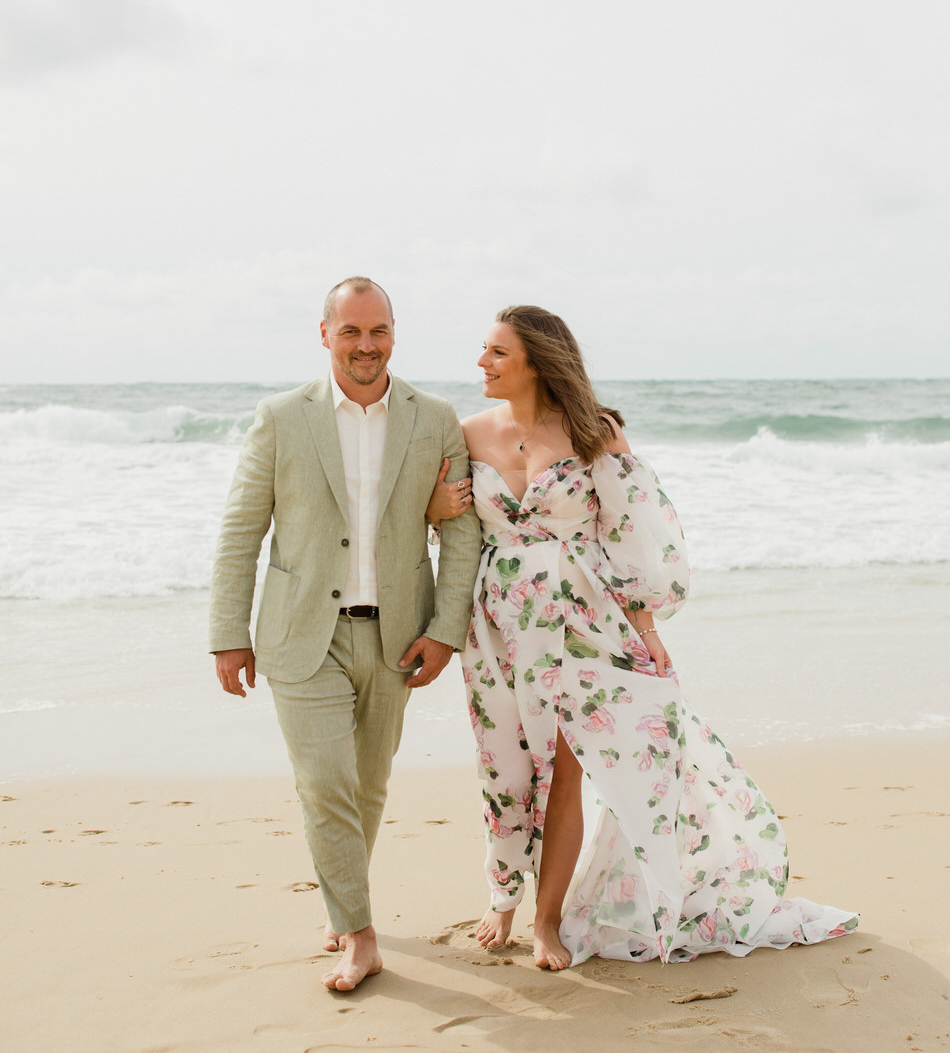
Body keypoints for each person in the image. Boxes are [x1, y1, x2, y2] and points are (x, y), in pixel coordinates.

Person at [427, 304, 858, 970]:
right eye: (484, 351)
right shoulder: (462, 433)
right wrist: (434, 513)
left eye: (496, 352)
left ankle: (546, 921)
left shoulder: (593, 432)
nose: (481, 362)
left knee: (564, 769)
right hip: (498, 627)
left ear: (536, 361)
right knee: (505, 768)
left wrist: (647, 628)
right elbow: (446, 530)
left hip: (581, 622)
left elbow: (632, 533)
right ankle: (501, 895)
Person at [209, 277, 481, 992]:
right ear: (324, 332)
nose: (366, 346)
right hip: (303, 634)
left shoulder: (436, 418)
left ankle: (341, 897)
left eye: (378, 330)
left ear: (395, 333)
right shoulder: (280, 418)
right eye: (352, 331)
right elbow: (242, 530)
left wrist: (446, 630)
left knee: (368, 783)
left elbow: (463, 534)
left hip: (396, 635)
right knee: (325, 779)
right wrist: (226, 633)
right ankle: (360, 935)